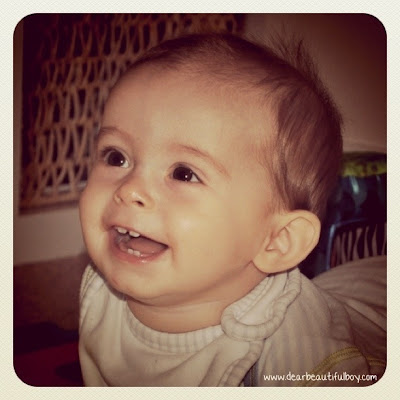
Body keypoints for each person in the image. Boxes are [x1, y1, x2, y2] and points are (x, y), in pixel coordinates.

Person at [78, 33, 386, 386]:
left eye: (184, 173)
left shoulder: (303, 357)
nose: (129, 189)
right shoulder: (97, 290)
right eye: (116, 157)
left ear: (276, 240)